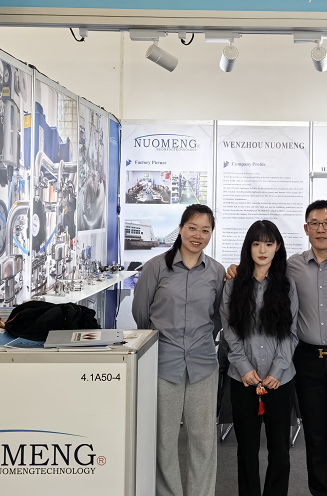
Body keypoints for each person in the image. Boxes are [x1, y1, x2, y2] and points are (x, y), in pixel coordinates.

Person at [226, 200, 327, 496]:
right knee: (315, 437)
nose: (321, 229)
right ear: (306, 229)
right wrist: (235, 269)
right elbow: (263, 269)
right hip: (307, 362)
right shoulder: (292, 266)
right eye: (315, 224)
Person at [132, 204, 226, 496]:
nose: (198, 235)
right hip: (164, 363)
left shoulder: (216, 272)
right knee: (164, 439)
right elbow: (141, 313)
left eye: (205, 230)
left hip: (203, 364)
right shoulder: (155, 267)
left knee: (203, 440)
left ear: (211, 233)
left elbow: (218, 316)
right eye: (192, 228)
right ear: (181, 228)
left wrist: (201, 337)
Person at [220, 220, 299, 496]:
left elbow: (291, 333)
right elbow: (229, 332)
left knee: (280, 450)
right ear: (248, 247)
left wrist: (278, 370)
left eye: (268, 243)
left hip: (280, 380)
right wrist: (243, 367)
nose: (262, 250)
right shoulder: (233, 284)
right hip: (243, 379)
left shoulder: (288, 285)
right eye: (256, 244)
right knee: (247, 449)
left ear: (278, 246)